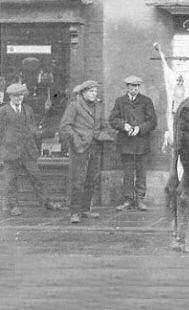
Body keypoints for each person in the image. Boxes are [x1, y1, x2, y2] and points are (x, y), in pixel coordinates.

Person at [0, 83, 63, 216]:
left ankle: (46, 202)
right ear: (10, 97)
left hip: (28, 150)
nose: (19, 98)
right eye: (16, 96)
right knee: (10, 180)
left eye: (21, 96)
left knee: (36, 177)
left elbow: (32, 128)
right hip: (11, 151)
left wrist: (43, 133)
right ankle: (13, 206)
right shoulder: (3, 111)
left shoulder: (28, 109)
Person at [60, 80, 113, 223]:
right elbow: (65, 126)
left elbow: (103, 125)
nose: (94, 94)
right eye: (91, 91)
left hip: (95, 148)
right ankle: (74, 212)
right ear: (83, 93)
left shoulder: (98, 107)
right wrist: (77, 140)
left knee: (91, 179)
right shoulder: (74, 106)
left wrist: (103, 135)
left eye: (95, 91)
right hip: (80, 149)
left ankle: (85, 209)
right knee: (77, 180)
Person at [109, 76, 157, 211]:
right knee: (128, 173)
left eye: (137, 86)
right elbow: (112, 119)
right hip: (126, 143)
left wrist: (139, 129)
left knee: (141, 172)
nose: (134, 89)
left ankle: (140, 199)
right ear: (127, 87)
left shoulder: (146, 101)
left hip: (142, 143)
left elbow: (153, 122)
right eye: (132, 86)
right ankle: (128, 200)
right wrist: (124, 126)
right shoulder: (120, 102)